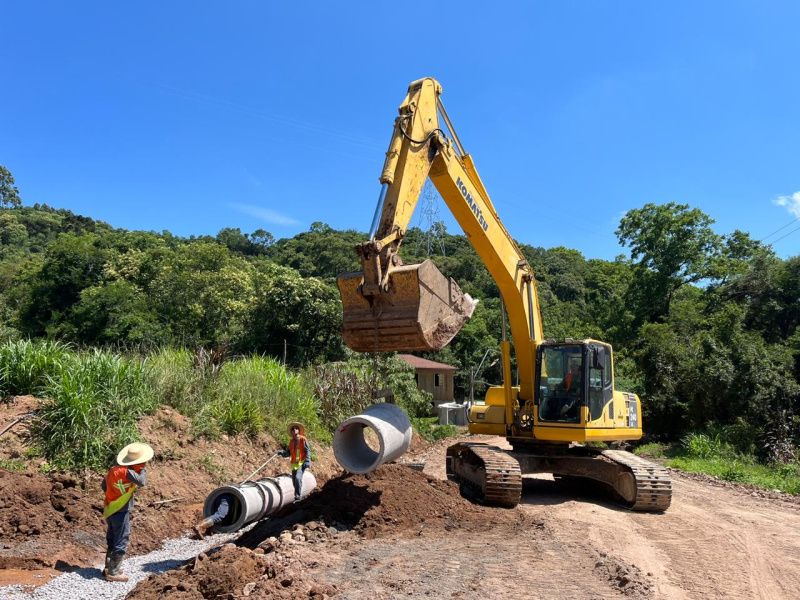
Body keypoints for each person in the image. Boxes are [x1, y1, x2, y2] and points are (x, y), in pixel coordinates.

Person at [101, 442, 153, 582]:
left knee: (112, 537)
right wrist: (142, 469)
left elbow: (103, 486)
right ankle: (114, 571)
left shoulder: (113, 470)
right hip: (121, 509)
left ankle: (108, 567)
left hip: (110, 508)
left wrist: (115, 494)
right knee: (122, 538)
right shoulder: (128, 473)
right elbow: (142, 481)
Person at [282, 422, 311, 501]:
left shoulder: (302, 439)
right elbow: (288, 453)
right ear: (291, 432)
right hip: (294, 464)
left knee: (298, 478)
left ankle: (297, 497)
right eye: (293, 429)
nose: (294, 430)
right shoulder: (291, 442)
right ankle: (299, 495)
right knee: (294, 481)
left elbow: (308, 450)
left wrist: (307, 461)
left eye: (296, 428)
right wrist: (282, 453)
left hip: (301, 462)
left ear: (298, 430)